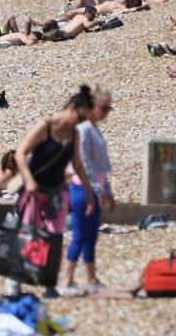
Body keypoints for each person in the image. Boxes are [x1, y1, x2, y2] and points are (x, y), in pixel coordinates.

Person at [13, 86, 97, 294]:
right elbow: (20, 154)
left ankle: (49, 283)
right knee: (30, 234)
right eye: (80, 118)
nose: (81, 123)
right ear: (71, 107)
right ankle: (16, 281)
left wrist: (89, 193)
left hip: (57, 191)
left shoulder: (74, 134)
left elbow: (77, 164)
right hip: (34, 190)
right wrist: (29, 181)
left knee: (55, 236)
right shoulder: (46, 126)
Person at [59, 86, 114, 295]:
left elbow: (100, 166)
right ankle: (66, 278)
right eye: (103, 108)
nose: (106, 113)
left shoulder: (94, 129)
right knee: (80, 235)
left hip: (94, 188)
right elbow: (84, 163)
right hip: (82, 189)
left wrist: (107, 191)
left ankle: (91, 277)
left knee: (91, 235)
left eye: (109, 108)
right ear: (91, 107)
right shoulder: (83, 130)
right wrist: (99, 189)